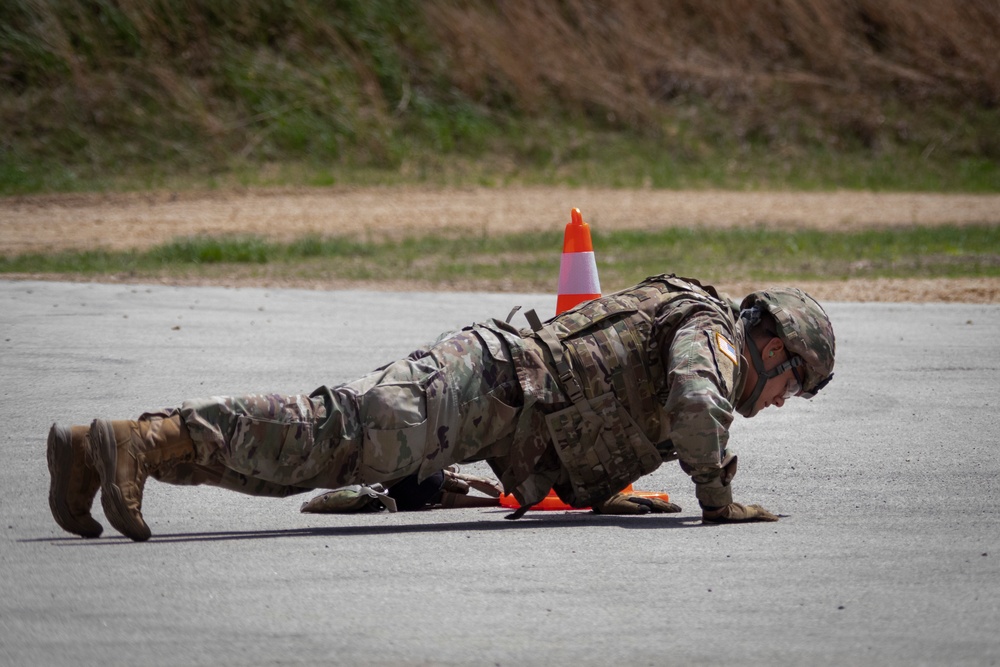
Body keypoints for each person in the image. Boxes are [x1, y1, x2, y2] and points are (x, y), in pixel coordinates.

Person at [46, 274, 835, 541]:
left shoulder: (694, 321)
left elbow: (594, 416)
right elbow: (701, 403)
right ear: (773, 349)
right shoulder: (710, 330)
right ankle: (144, 437)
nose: (782, 400)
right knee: (329, 430)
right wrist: (717, 500)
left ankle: (93, 449)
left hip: (485, 402)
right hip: (483, 384)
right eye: (792, 382)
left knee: (310, 457)